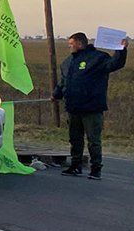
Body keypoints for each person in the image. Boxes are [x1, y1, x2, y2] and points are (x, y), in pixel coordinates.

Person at [52, 32, 128, 179]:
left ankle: (96, 169)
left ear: (80, 43)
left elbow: (115, 64)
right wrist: (56, 94)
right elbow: (63, 82)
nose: (69, 47)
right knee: (75, 139)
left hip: (92, 108)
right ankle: (75, 166)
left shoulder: (98, 58)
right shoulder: (68, 62)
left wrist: (121, 50)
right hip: (73, 107)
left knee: (93, 140)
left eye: (71, 44)